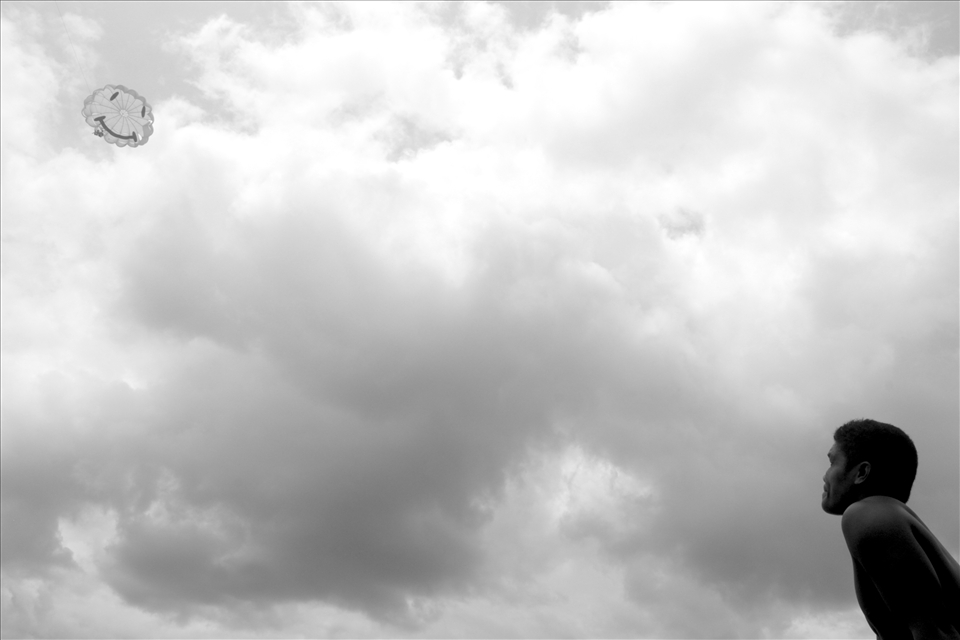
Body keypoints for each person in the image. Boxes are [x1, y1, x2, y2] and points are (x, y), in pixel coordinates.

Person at [822, 419, 960, 640]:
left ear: (861, 473)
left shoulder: (868, 516)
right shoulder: (893, 517)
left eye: (832, 463)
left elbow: (937, 635)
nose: (825, 476)